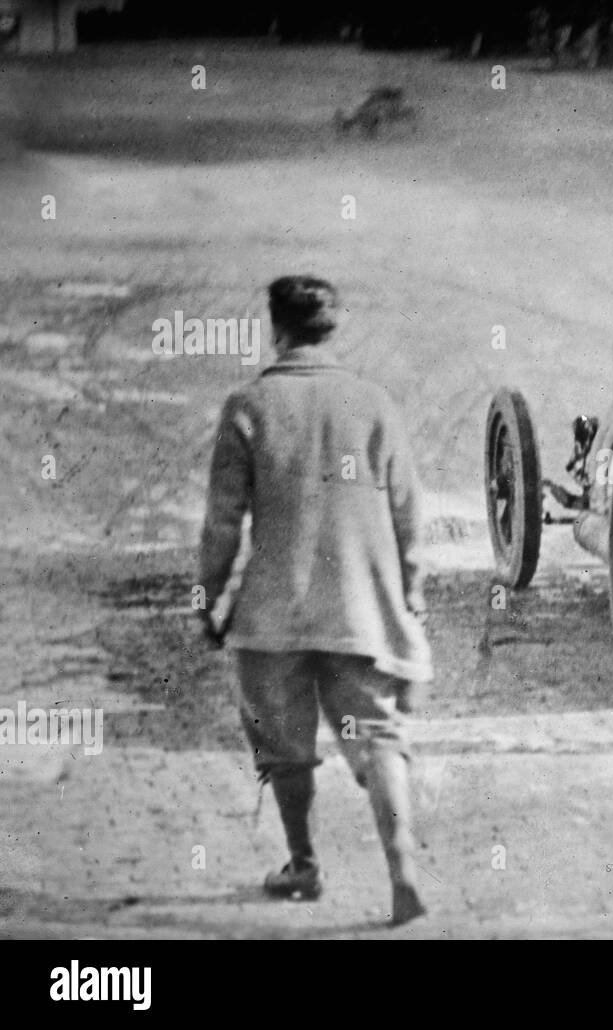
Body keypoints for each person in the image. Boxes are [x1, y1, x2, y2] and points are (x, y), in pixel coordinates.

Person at [198, 275, 433, 925]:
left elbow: (222, 523)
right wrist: (409, 592)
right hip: (360, 614)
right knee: (380, 738)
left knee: (285, 748)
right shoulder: (373, 403)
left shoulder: (248, 406)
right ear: (334, 328)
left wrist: (209, 598)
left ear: (276, 328)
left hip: (272, 619)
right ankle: (403, 870)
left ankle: (303, 865)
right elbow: (410, 511)